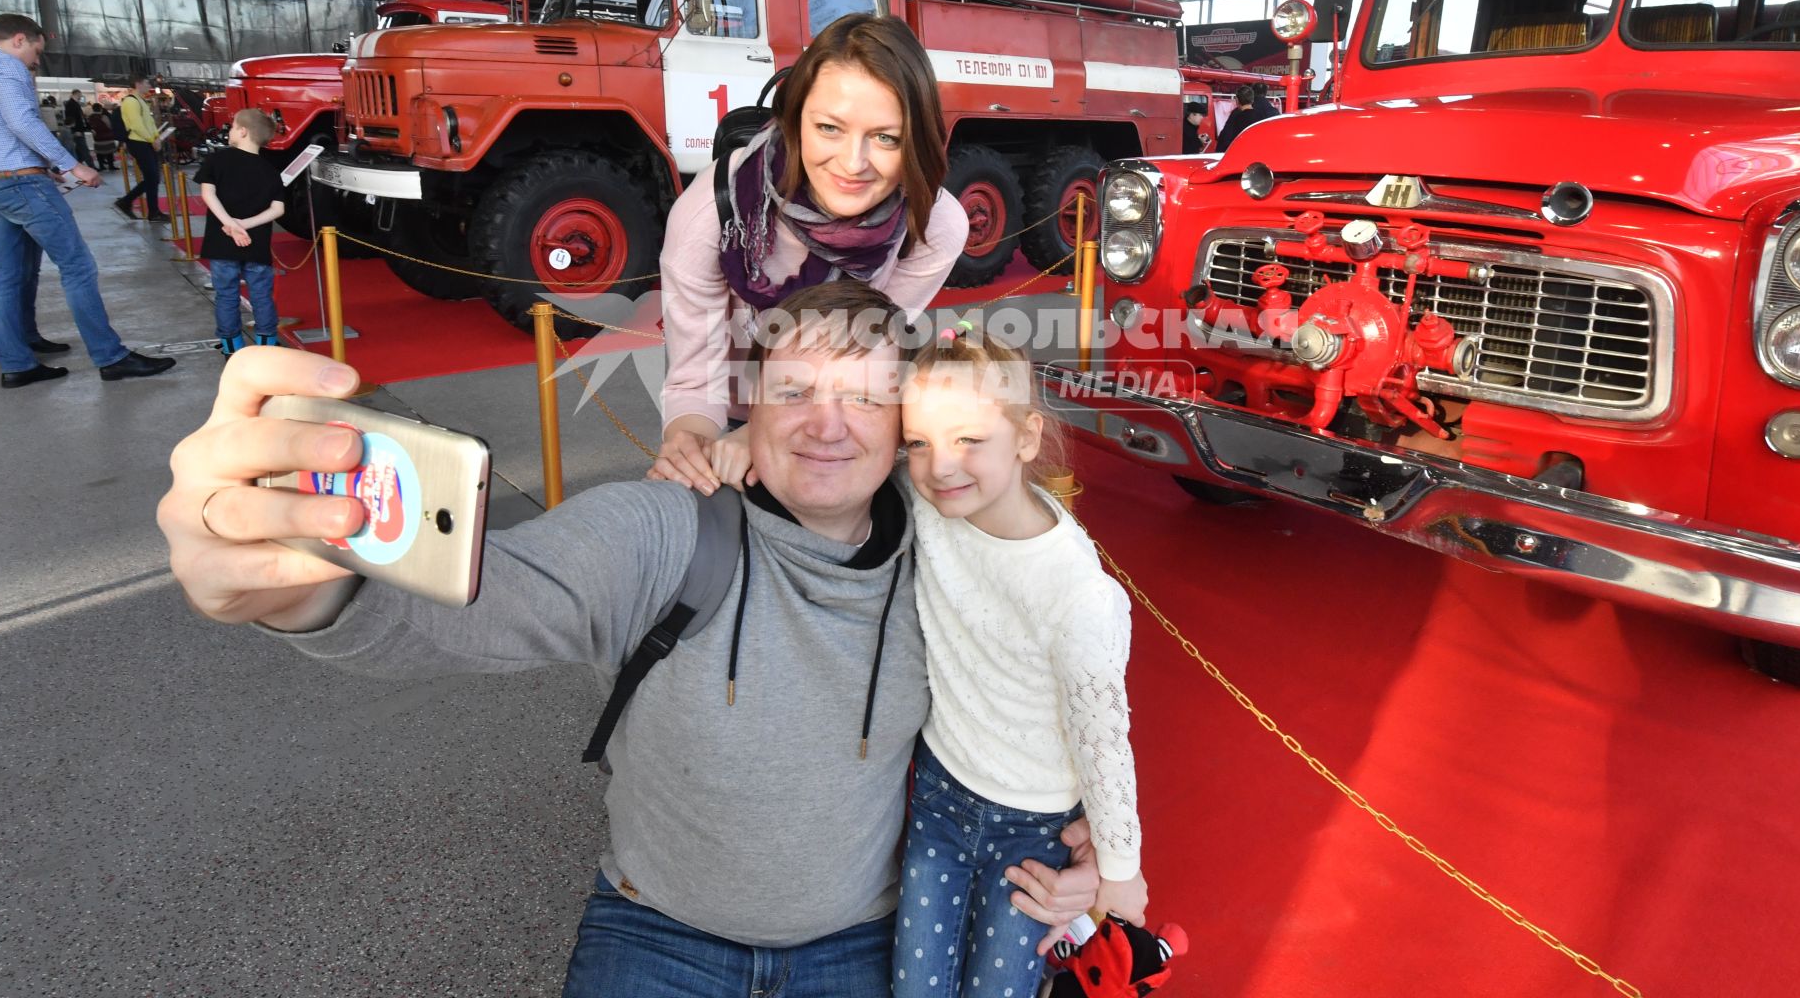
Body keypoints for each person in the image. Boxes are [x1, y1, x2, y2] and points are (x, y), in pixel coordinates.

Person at [154, 280, 1098, 997]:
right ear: (749, 404)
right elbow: (485, 602)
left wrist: (1083, 837)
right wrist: (307, 592)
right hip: (659, 935)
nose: (825, 425)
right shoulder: (668, 529)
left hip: (859, 940)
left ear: (904, 426)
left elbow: (1055, 677)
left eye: (863, 398)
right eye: (796, 389)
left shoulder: (951, 553)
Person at [876, 325, 1147, 998]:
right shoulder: (934, 505)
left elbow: (1103, 737)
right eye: (919, 441)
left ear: (1026, 438)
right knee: (914, 987)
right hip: (940, 795)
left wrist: (1120, 874)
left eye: (970, 439)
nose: (941, 464)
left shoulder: (1076, 593)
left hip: (1031, 828)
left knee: (998, 990)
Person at [651, 14, 969, 495]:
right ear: (794, 119)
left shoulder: (933, 224)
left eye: (886, 137)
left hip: (837, 404)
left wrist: (766, 434)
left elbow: (862, 350)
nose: (853, 163)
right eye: (829, 128)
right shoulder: (712, 210)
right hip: (731, 402)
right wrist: (690, 448)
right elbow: (696, 379)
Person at [0, 13, 177, 386]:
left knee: (7, 275)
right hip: (21, 183)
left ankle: (18, 359)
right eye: (36, 52)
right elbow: (21, 121)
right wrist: (73, 165)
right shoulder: (7, 66)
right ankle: (111, 356)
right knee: (77, 267)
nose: (36, 62)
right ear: (19, 40)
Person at [197, 108, 286, 353]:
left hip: (221, 242)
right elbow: (277, 210)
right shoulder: (269, 170)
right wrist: (244, 225)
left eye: (234, 126)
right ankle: (267, 345)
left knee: (226, 296)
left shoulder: (217, 160)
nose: (231, 130)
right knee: (261, 296)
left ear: (243, 131)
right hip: (255, 243)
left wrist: (229, 224)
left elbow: (208, 194)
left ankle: (231, 346)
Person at [113, 74, 169, 223]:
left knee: (153, 178)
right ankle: (133, 204)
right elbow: (136, 125)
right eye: (146, 82)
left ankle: (143, 207)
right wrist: (152, 139)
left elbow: (149, 123)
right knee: (152, 177)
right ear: (138, 83)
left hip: (146, 142)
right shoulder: (131, 102)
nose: (149, 86)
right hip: (138, 143)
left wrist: (156, 137)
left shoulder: (140, 101)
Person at [1212, 82, 1280, 152]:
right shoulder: (1271, 112)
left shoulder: (1237, 114)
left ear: (1237, 100)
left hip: (1239, 153)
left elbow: (1226, 137)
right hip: (1261, 153)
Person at [62, 88, 90, 164]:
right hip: (77, 129)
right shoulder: (71, 104)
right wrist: (75, 130)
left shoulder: (74, 103)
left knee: (79, 149)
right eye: (80, 94)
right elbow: (71, 118)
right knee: (83, 148)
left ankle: (80, 163)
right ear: (76, 94)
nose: (81, 96)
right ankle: (90, 166)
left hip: (78, 129)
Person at [88, 103, 117, 171]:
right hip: (107, 137)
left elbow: (90, 127)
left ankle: (101, 166)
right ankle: (111, 166)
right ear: (101, 109)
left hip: (97, 137)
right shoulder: (103, 116)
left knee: (99, 152)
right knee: (109, 152)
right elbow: (109, 125)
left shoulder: (90, 117)